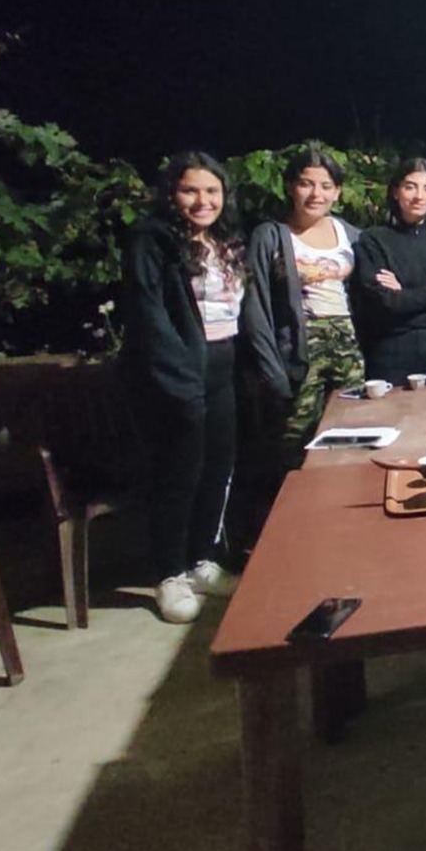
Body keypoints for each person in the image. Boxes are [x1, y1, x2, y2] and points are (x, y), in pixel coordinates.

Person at [117, 152, 295, 624]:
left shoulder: (223, 239)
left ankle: (201, 560)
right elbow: (149, 316)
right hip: (177, 373)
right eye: (190, 190)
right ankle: (169, 574)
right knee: (179, 474)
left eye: (212, 191)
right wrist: (179, 383)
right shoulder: (151, 240)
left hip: (224, 364)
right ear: (171, 194)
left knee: (218, 467)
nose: (203, 201)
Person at [263, 149, 363, 456]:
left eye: (326, 186)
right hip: (299, 343)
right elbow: (256, 306)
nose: (316, 194)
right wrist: (269, 364)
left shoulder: (350, 234)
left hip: (346, 340)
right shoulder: (271, 235)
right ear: (291, 187)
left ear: (337, 192)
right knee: (297, 432)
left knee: (352, 425)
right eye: (306, 184)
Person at [351, 158, 426, 384]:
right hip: (389, 353)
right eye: (410, 187)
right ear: (395, 192)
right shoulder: (373, 240)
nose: (419, 196)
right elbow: (385, 303)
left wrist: (404, 294)